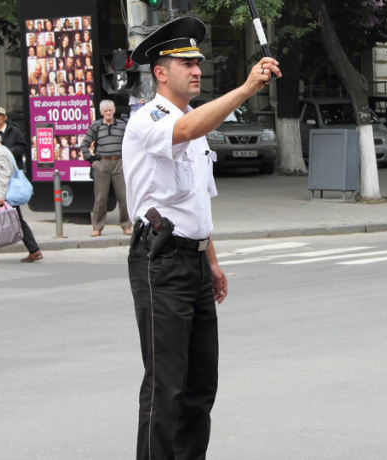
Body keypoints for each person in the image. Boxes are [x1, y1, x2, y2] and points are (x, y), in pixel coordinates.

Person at [122, 16, 280, 460]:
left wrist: (210, 260)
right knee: (165, 385)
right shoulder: (149, 119)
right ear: (160, 72)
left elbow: (196, 203)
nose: (196, 70)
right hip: (160, 261)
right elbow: (186, 133)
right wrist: (248, 88)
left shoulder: (196, 120)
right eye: (185, 62)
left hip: (191, 261)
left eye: (198, 63)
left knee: (199, 388)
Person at [0, 132, 43, 264]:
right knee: (19, 222)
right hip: (2, 194)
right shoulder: (4, 149)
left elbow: (4, 174)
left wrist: (1, 196)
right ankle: (34, 250)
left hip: (1, 195)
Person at [81, 100, 131, 236]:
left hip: (119, 163)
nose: (108, 113)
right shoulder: (96, 126)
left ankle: (126, 225)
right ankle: (97, 227)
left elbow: (131, 143)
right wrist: (92, 161)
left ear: (114, 110)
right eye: (105, 111)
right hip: (102, 164)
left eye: (110, 110)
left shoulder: (122, 125)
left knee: (124, 197)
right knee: (100, 198)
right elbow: (84, 145)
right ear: (101, 112)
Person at [0, 107, 30, 172]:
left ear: (5, 117)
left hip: (13, 169)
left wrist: (8, 152)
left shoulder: (15, 131)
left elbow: (23, 148)